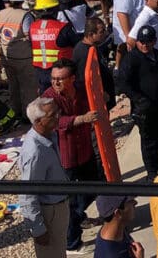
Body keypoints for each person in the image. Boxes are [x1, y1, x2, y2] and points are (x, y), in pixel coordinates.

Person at [41, 58, 99, 253]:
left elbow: (92, 101)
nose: (55, 82)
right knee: (71, 200)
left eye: (60, 78)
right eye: (53, 78)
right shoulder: (48, 97)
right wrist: (81, 119)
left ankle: (79, 216)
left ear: (72, 78)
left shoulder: (80, 91)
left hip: (84, 151)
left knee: (93, 186)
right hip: (65, 157)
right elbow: (55, 122)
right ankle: (72, 243)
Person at [118, 24, 158, 179]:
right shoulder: (131, 59)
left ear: (154, 41)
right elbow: (123, 83)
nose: (145, 45)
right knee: (150, 142)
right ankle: (152, 174)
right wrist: (139, 100)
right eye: (142, 42)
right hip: (145, 110)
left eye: (148, 41)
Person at [19, 97, 69, 258]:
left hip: (58, 207)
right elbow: (27, 193)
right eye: (53, 114)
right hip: (50, 212)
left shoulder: (50, 136)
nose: (58, 116)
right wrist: (38, 229)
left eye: (57, 111)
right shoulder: (35, 152)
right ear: (39, 121)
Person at [0, 0, 37, 118]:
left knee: (13, 85)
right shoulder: (25, 15)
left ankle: (15, 112)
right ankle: (28, 115)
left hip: (7, 56)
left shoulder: (1, 13)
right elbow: (29, 35)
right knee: (28, 87)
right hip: (23, 57)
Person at [30, 0, 80, 93]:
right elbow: (78, 45)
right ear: (55, 9)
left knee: (46, 101)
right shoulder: (63, 28)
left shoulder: (32, 27)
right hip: (61, 73)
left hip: (40, 72)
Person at [111, 0, 147, 68]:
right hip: (129, 33)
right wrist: (129, 37)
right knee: (124, 58)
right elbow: (122, 13)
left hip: (139, 31)